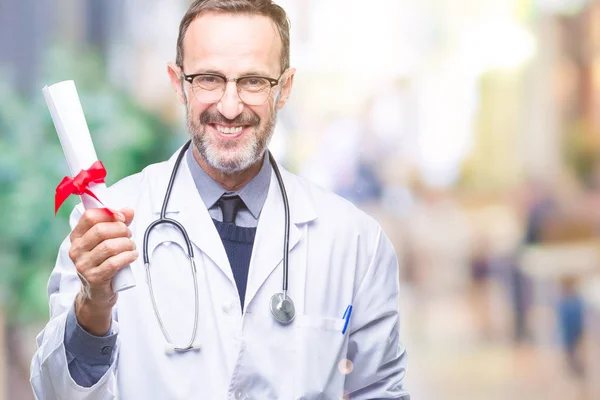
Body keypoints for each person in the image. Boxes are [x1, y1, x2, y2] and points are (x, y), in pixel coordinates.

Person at [30, 1, 409, 398]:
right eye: (209, 79)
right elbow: (55, 392)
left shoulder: (354, 241)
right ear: (179, 83)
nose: (229, 107)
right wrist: (93, 304)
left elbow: (379, 389)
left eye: (252, 81)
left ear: (285, 88)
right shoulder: (106, 228)